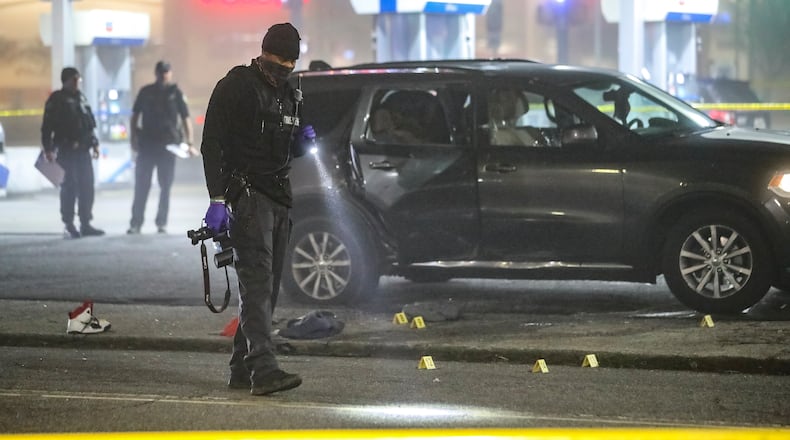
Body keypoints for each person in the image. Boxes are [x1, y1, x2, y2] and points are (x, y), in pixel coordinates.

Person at [200, 22, 316, 396]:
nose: (285, 67)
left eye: (291, 62)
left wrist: (302, 143)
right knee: (257, 284)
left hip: (280, 196)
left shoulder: (291, 93)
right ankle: (264, 370)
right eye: (280, 60)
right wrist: (217, 199)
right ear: (264, 53)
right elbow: (211, 144)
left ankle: (241, 368)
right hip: (248, 198)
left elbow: (287, 146)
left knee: (268, 289)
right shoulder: (236, 86)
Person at [127, 61, 195, 235]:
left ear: (170, 73)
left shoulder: (176, 93)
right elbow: (135, 116)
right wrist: (133, 138)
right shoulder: (146, 92)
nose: (163, 75)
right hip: (148, 146)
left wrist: (189, 142)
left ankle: (161, 222)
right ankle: (136, 223)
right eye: (161, 72)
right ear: (156, 73)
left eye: (166, 72)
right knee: (142, 186)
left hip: (168, 147)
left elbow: (185, 118)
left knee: (165, 187)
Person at [41, 67, 104, 239]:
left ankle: (85, 223)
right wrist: (48, 149)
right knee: (69, 187)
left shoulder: (81, 98)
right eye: (74, 80)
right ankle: (69, 224)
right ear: (66, 81)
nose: (77, 83)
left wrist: (95, 144)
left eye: (79, 79)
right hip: (66, 150)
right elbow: (47, 126)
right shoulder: (57, 99)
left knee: (87, 186)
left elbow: (89, 124)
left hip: (84, 150)